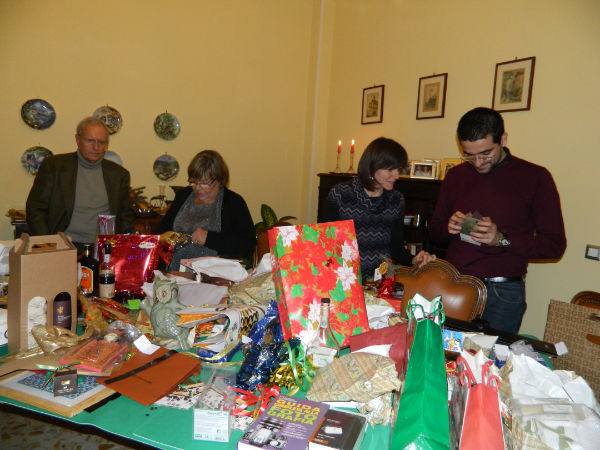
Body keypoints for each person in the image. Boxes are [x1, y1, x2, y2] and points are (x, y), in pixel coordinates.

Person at [428, 107, 566, 333]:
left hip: (502, 294)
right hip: (455, 285)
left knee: (492, 355)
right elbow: (434, 232)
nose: (477, 162)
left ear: (503, 139)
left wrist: (501, 239)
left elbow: (554, 246)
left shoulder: (535, 178)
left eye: (485, 153)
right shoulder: (456, 176)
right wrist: (449, 227)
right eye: (469, 155)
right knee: (443, 352)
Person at [322, 137, 436, 280]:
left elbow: (396, 249)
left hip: (383, 282)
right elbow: (326, 243)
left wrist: (414, 260)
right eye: (390, 169)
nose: (396, 175)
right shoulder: (341, 194)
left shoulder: (396, 200)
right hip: (345, 279)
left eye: (398, 169)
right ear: (372, 166)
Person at [26, 117, 134, 253]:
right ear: (77, 139)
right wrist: (46, 244)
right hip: (63, 246)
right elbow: (36, 209)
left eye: (101, 142)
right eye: (90, 141)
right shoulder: (54, 167)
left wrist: (123, 249)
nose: (96, 147)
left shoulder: (119, 174)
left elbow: (125, 216)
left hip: (103, 249)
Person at [158, 150, 256, 270]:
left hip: (215, 274)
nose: (198, 188)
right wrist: (167, 238)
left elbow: (247, 245)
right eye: (193, 182)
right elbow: (161, 232)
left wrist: (210, 239)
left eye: (204, 183)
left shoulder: (233, 202)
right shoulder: (183, 196)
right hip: (174, 272)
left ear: (219, 179)